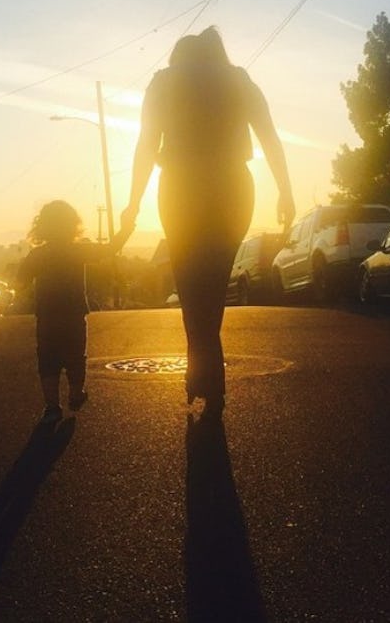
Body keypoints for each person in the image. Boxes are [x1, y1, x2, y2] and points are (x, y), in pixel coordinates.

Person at [121, 26, 295, 421]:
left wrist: (132, 205)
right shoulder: (239, 79)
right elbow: (270, 137)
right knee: (213, 285)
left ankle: (203, 373)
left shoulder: (163, 82)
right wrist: (285, 191)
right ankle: (205, 374)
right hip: (232, 186)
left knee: (189, 283)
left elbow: (146, 143)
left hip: (180, 187)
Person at [17, 200, 133, 425]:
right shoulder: (78, 250)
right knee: (75, 356)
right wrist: (127, 227)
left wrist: (23, 292)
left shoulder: (38, 255)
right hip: (73, 314)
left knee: (48, 360)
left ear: (42, 226)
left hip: (47, 316)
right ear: (73, 225)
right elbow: (111, 248)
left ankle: (52, 406)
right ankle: (75, 393)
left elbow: (21, 281)